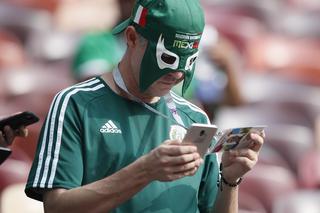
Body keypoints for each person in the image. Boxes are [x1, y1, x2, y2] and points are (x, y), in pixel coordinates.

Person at [25, 0, 265, 212]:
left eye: (188, 61)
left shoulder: (195, 118)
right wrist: (144, 171)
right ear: (131, 38)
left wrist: (230, 181)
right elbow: (56, 207)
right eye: (167, 58)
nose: (178, 74)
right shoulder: (76, 104)